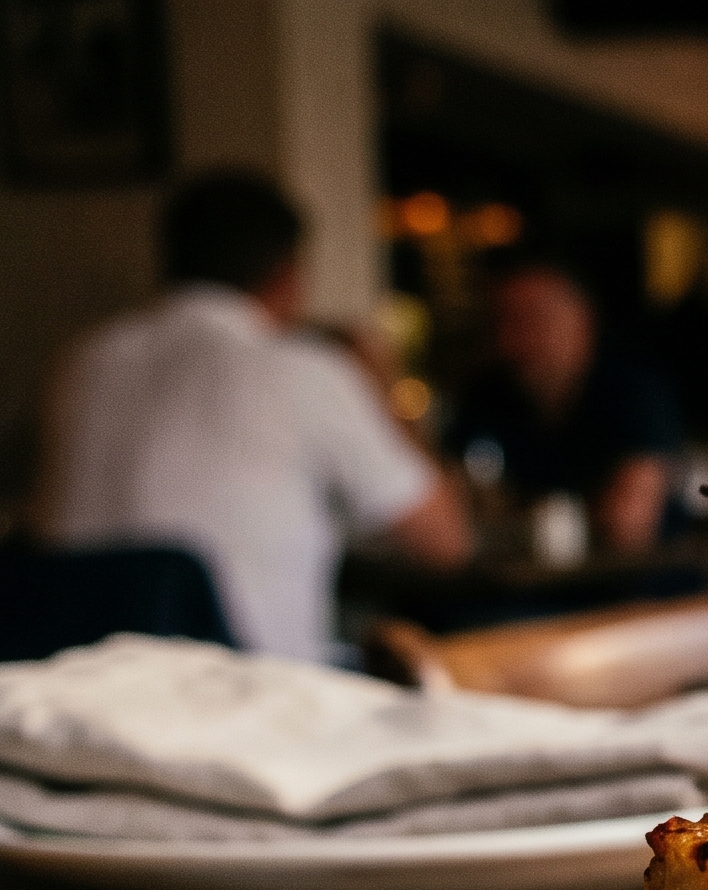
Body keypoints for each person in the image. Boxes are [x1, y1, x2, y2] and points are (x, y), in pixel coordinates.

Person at [40, 170, 471, 663]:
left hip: (79, 687)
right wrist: (381, 387)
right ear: (288, 275)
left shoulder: (88, 361)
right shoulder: (306, 369)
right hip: (249, 690)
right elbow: (446, 543)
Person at [447, 258, 683, 556]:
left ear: (583, 323)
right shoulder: (488, 395)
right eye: (502, 321)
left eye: (533, 319)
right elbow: (448, 508)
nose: (510, 340)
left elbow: (627, 526)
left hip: (639, 580)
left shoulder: (634, 390)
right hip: (518, 579)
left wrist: (513, 511)